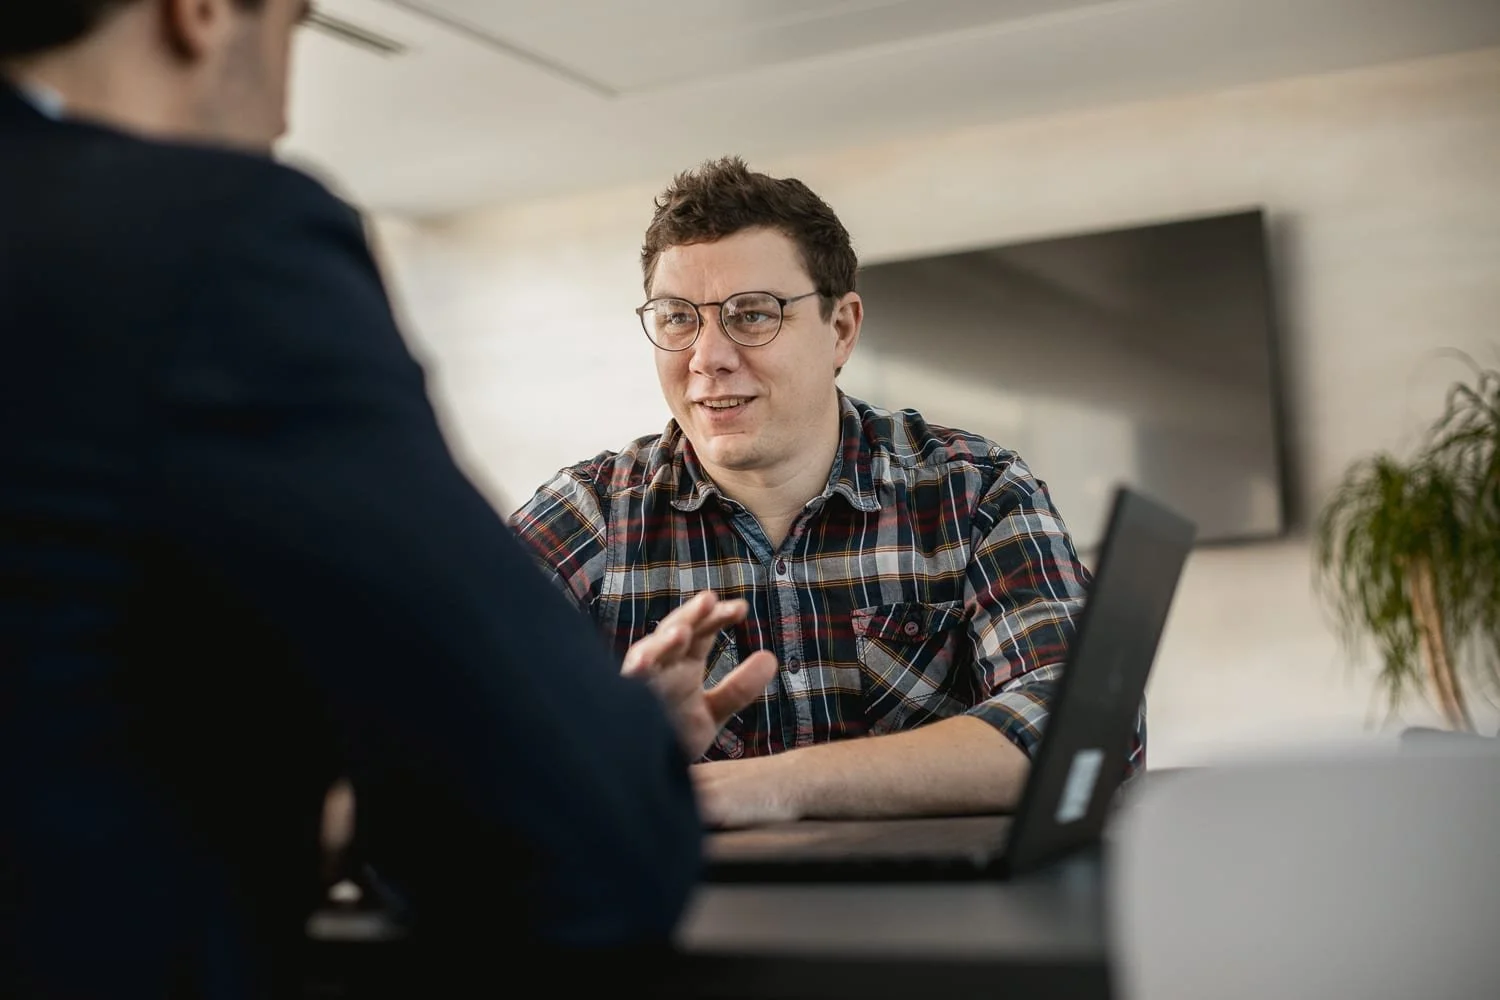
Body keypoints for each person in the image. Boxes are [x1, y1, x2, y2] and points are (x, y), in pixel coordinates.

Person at [0, 3, 776, 997]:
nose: (282, 108)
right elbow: (583, 840)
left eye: (753, 315)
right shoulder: (215, 239)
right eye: (295, 25)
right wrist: (613, 750)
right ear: (199, 13)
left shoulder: (964, 479)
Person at [510, 156, 1146, 829]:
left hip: (937, 920)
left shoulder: (975, 490)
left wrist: (759, 788)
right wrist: (612, 746)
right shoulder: (590, 512)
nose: (706, 357)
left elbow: (1082, 731)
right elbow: (426, 712)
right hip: (684, 925)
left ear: (840, 329)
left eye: (751, 315)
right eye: (676, 319)